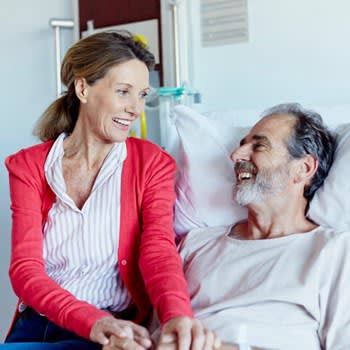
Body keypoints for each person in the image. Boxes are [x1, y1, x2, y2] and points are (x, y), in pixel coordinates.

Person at [3, 31, 219, 350]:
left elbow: (159, 249)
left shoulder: (152, 163)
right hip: (40, 327)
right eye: (123, 92)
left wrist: (176, 315)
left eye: (142, 95)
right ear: (82, 88)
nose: (135, 109)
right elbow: (25, 269)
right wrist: (91, 320)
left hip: (114, 334)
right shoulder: (28, 166)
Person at [166, 103, 350, 350]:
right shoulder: (196, 244)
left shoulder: (336, 251)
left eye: (259, 146)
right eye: (242, 143)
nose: (236, 156)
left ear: (303, 169)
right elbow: (160, 330)